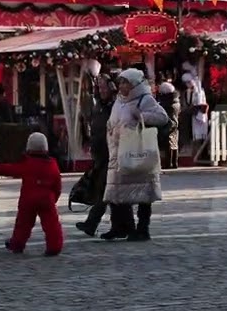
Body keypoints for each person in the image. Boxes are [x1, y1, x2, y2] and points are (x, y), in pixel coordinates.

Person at [103, 68, 170, 241]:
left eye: (125, 82)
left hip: (139, 152)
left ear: (133, 84)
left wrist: (142, 116)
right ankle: (120, 226)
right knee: (116, 191)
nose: (121, 85)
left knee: (143, 192)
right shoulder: (119, 100)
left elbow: (163, 117)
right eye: (121, 82)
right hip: (118, 152)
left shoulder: (144, 98)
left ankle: (142, 228)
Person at [0, 132, 64, 256]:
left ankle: (17, 244)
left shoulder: (27, 163)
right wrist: (54, 199)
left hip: (28, 199)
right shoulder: (52, 165)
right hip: (46, 199)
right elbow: (57, 185)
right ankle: (54, 247)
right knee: (52, 225)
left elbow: (9, 169)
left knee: (23, 224)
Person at [76, 72, 115, 237]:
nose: (102, 90)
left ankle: (92, 223)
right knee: (108, 191)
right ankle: (121, 226)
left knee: (106, 191)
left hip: (111, 153)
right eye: (99, 87)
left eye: (104, 86)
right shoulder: (98, 104)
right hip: (99, 153)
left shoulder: (114, 105)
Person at [182, 71, 209, 161]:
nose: (188, 84)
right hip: (191, 115)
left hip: (198, 115)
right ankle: (195, 154)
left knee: (200, 135)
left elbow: (200, 103)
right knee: (194, 135)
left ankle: (200, 154)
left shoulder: (199, 91)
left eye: (189, 82)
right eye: (186, 83)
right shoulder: (187, 92)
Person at [156, 80, 181, 170]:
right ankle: (174, 162)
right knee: (174, 143)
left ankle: (168, 163)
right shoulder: (176, 100)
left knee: (168, 144)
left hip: (169, 123)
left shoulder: (167, 102)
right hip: (175, 122)